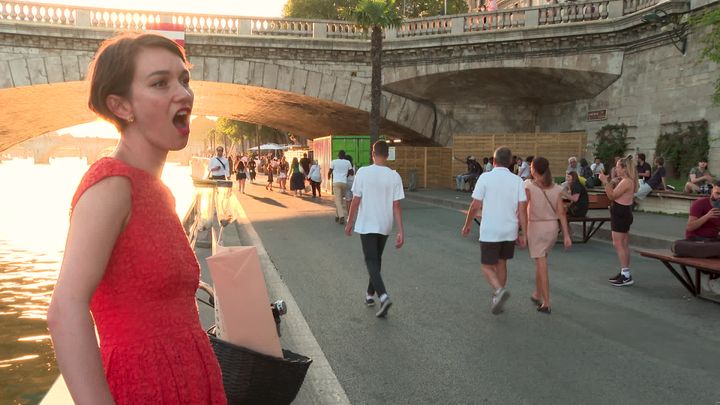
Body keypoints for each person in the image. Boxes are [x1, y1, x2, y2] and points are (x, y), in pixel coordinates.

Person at [47, 33, 226, 404]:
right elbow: (65, 309)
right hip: (145, 388)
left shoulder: (156, 190)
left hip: (189, 381)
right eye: (160, 83)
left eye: (184, 80)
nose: (183, 93)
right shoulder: (111, 185)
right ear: (122, 106)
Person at [461, 147, 528, 315]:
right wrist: (524, 234)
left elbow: (475, 205)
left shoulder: (485, 177)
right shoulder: (518, 181)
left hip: (491, 228)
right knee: (502, 263)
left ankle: (499, 291)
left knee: (486, 265)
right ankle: (497, 297)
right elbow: (522, 210)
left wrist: (467, 224)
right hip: (510, 229)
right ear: (511, 161)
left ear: (494, 160)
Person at [344, 141, 405, 318]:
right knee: (376, 259)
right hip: (385, 224)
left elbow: (355, 200)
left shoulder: (363, 172)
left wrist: (349, 222)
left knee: (371, 260)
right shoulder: (394, 176)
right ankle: (370, 295)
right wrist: (401, 231)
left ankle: (383, 296)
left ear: (373, 153)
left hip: (367, 223)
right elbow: (397, 206)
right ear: (387, 155)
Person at [524, 157, 571, 314]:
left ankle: (546, 302)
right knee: (541, 261)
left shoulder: (529, 186)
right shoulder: (556, 188)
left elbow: (523, 209)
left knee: (542, 265)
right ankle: (537, 293)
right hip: (552, 227)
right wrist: (566, 235)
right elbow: (561, 213)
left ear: (534, 170)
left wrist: (520, 230)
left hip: (536, 226)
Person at [599, 155, 639, 287]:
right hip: (623, 212)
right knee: (623, 244)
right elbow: (613, 191)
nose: (616, 169)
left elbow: (611, 195)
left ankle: (626, 275)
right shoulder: (626, 180)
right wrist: (610, 182)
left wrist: (605, 181)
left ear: (624, 168)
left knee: (619, 244)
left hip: (620, 213)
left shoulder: (627, 181)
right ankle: (625, 272)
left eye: (617, 167)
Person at [328, 150, 353, 224]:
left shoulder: (334, 161)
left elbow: (330, 171)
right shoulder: (347, 162)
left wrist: (328, 176)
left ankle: (341, 216)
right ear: (344, 156)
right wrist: (346, 175)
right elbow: (352, 172)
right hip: (344, 183)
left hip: (336, 183)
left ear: (338, 155)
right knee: (340, 200)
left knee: (338, 200)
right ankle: (337, 215)